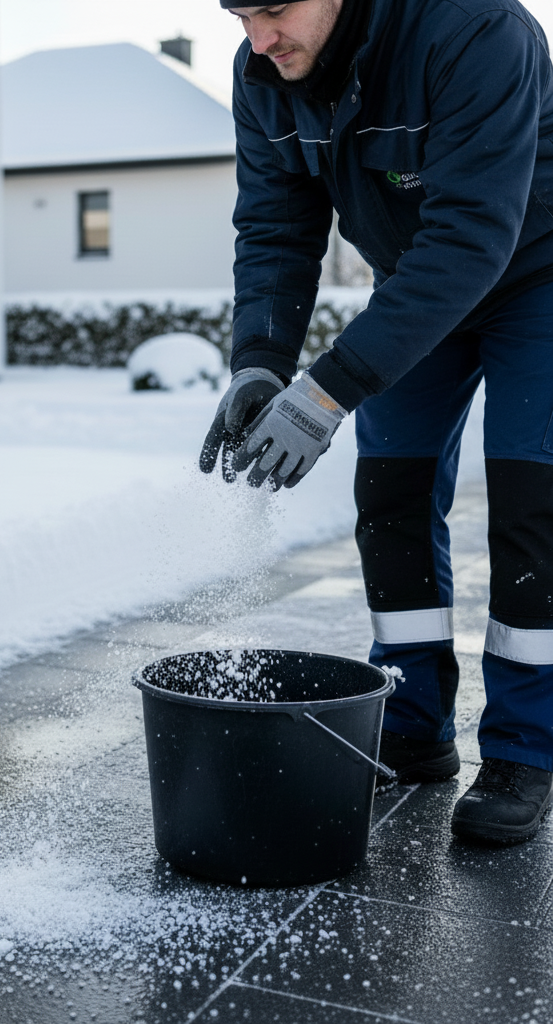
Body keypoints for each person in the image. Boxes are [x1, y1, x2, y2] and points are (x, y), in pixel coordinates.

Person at [201, 0, 553, 844]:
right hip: (415, 287)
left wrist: (328, 390)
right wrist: (259, 363)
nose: (259, 40)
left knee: (531, 505)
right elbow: (277, 228)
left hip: (536, 274)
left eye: (276, 11)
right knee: (388, 494)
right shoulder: (266, 78)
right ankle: (412, 718)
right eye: (242, 16)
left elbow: (472, 232)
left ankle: (523, 749)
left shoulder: (473, 30)